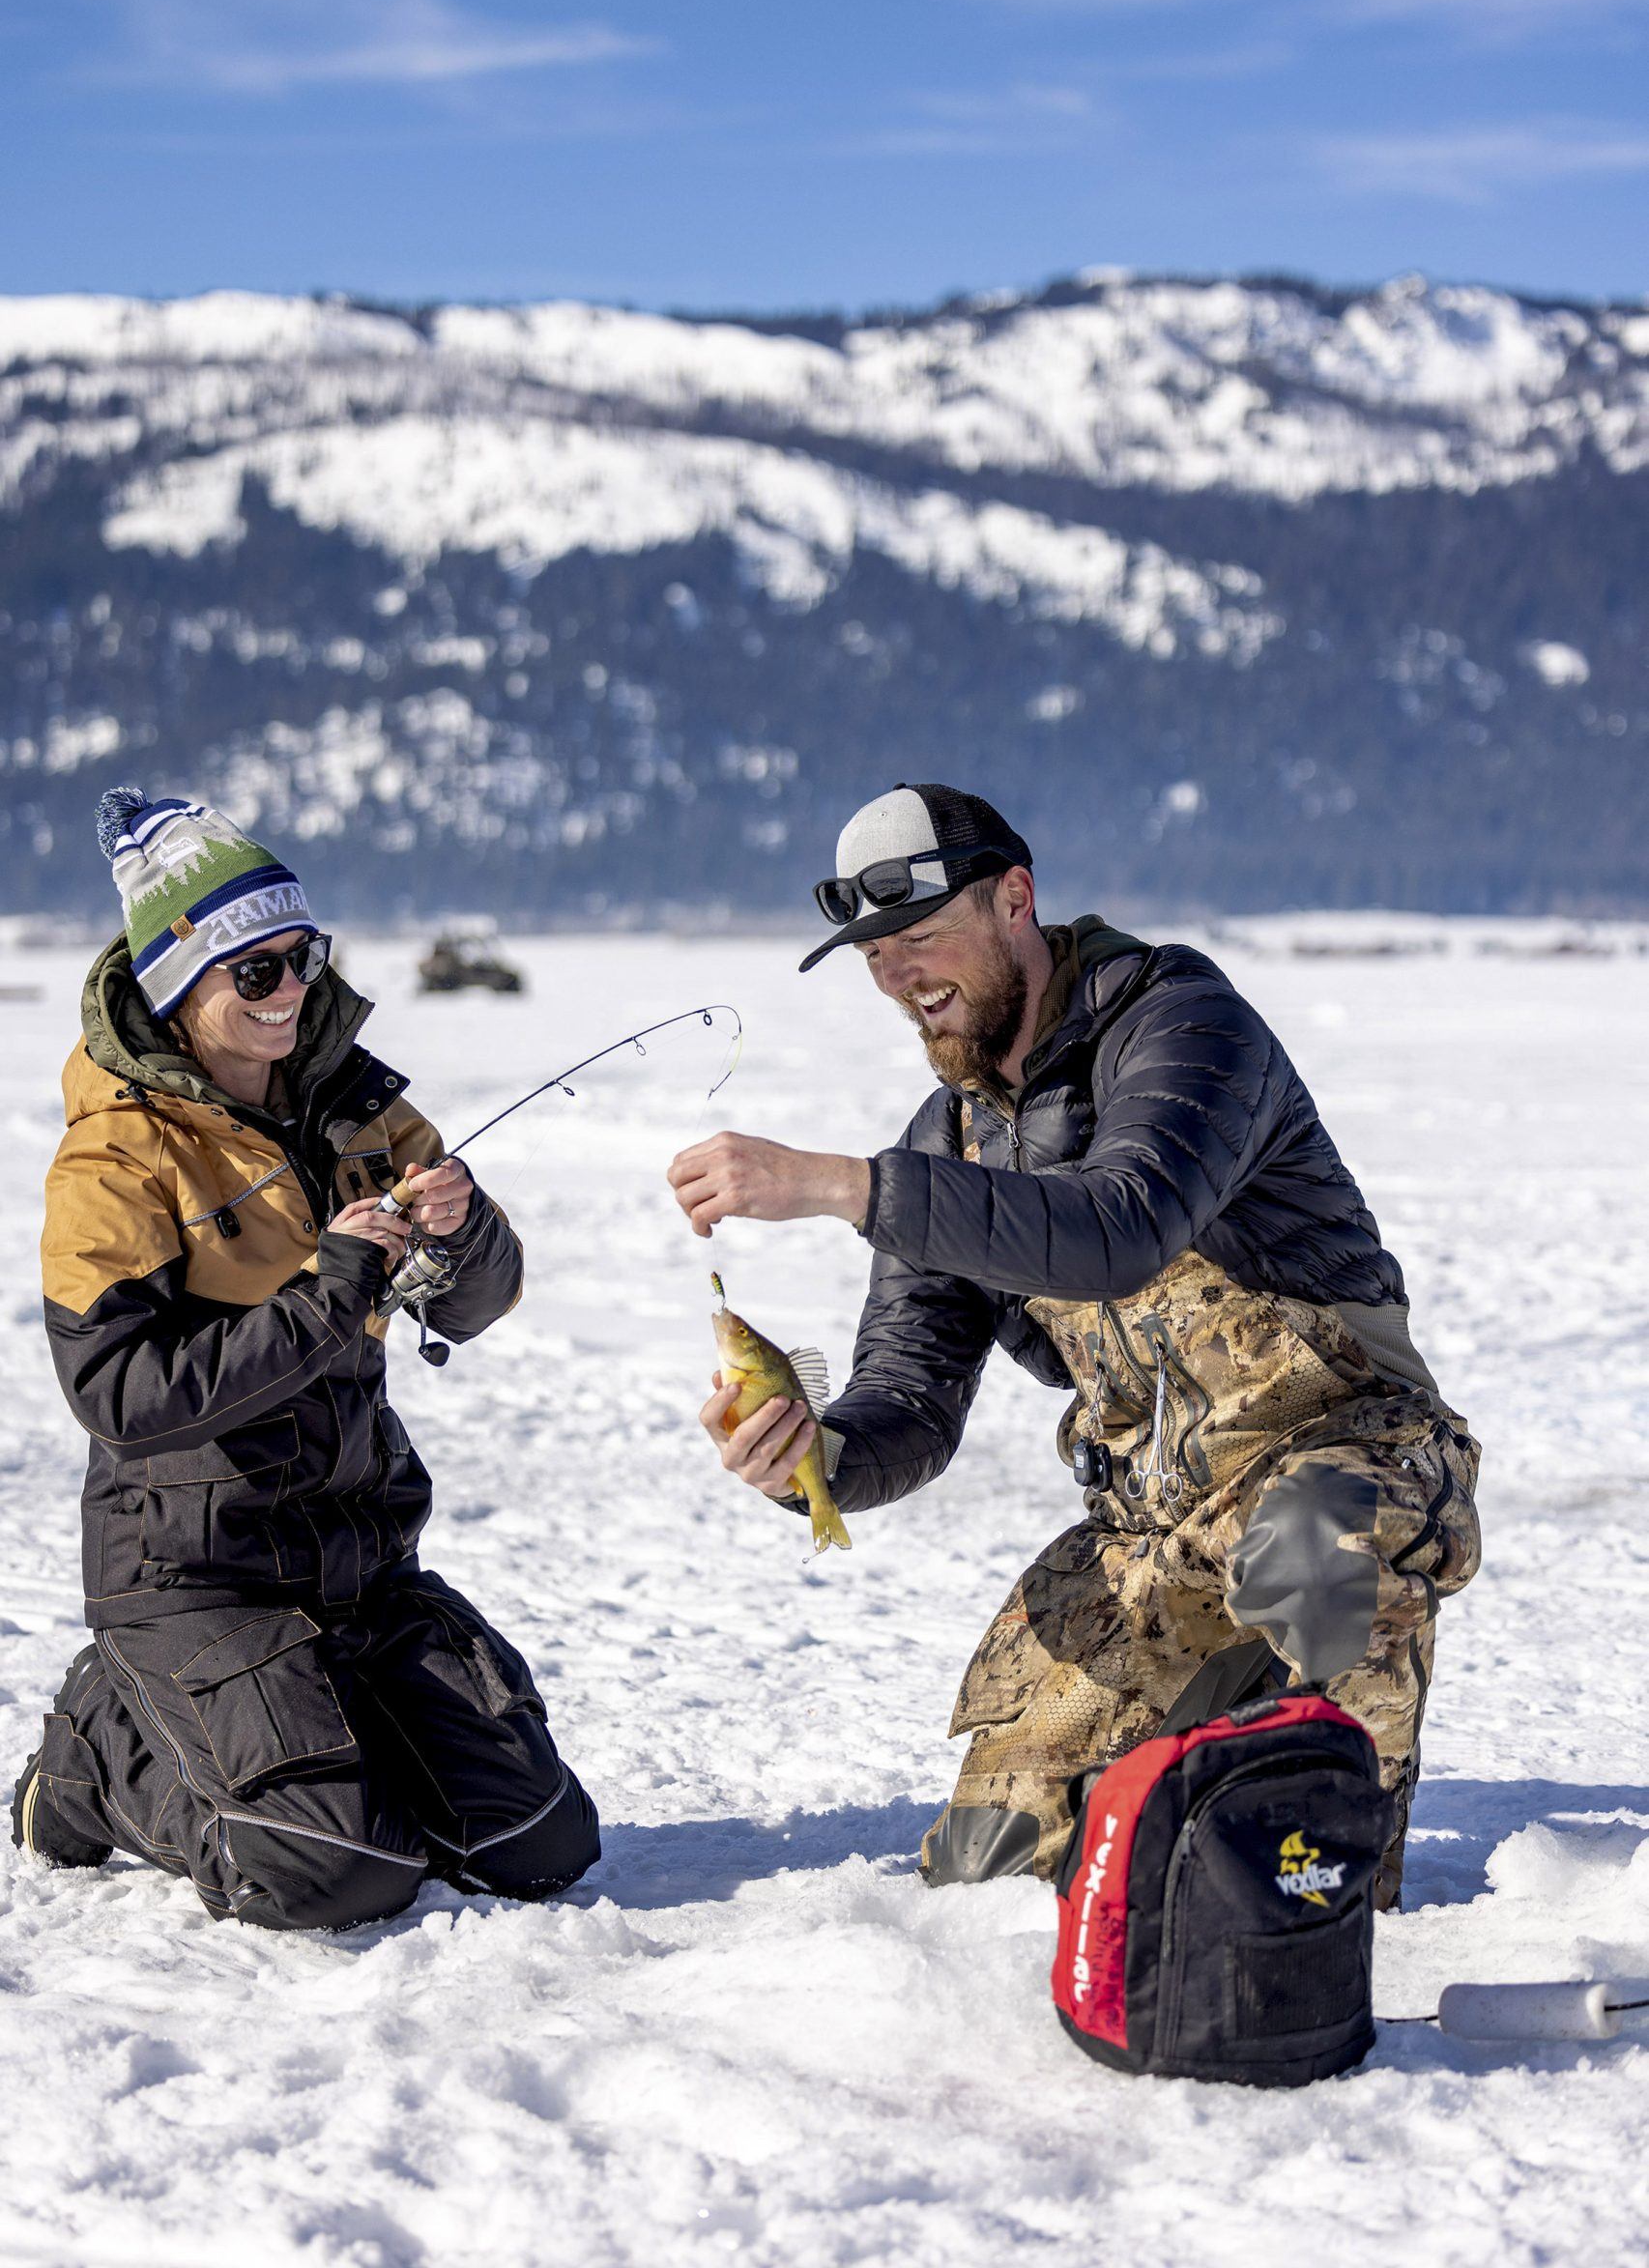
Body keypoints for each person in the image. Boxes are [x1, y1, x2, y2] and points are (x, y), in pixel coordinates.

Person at [669, 783, 1480, 1907]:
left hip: (1345, 1459)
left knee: (1308, 1557)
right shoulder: (943, 1143)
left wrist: (838, 1186)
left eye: (920, 936)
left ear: (1014, 899)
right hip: (1151, 1530)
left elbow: (1120, 1226)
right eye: (874, 954)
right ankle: (1219, 1730)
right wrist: (811, 1459)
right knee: (986, 1878)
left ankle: (1323, 1892)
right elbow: (906, 1397)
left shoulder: (1181, 1026)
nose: (901, 977)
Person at [11, 788, 598, 1930]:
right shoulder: (116, 1158)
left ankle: (310, 1738)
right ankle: (99, 1746)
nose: (292, 992)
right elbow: (120, 1397)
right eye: (258, 972)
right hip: (194, 1569)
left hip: (359, 1561)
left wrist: (464, 1231)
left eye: (303, 957)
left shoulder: (360, 1107)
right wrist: (330, 1289)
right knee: (330, 1873)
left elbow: (479, 1302)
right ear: (182, 984)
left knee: (537, 1844)